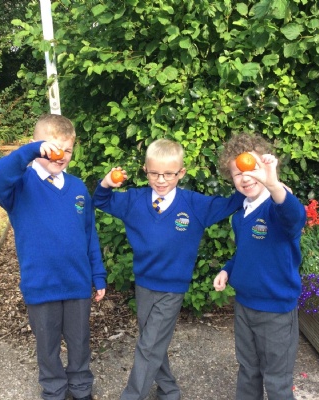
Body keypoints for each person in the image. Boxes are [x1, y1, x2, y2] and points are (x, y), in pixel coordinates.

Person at [93, 138, 245, 400]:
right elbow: (101, 201)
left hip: (172, 289)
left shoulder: (194, 205)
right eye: (154, 173)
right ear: (145, 170)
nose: (161, 180)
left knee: (149, 345)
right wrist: (106, 183)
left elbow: (233, 202)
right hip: (144, 285)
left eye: (168, 174)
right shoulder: (134, 200)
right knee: (152, 342)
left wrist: (250, 175)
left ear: (181, 173)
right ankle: (169, 390)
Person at [0, 114, 106, 400]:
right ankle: (53, 390)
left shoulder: (77, 188)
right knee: (47, 346)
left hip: (77, 283)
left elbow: (89, 234)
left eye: (67, 150)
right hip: (41, 284)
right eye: (52, 148)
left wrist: (98, 274)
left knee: (79, 342)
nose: (60, 156)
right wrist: (30, 152)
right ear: (35, 145)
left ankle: (80, 387)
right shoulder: (18, 186)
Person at [213, 133, 306, 400]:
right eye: (237, 173)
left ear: (264, 170)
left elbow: (295, 217)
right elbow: (246, 253)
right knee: (248, 370)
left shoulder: (276, 208)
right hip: (244, 306)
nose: (245, 177)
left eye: (252, 169)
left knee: (277, 381)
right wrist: (227, 269)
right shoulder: (240, 215)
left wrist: (274, 184)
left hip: (276, 311)